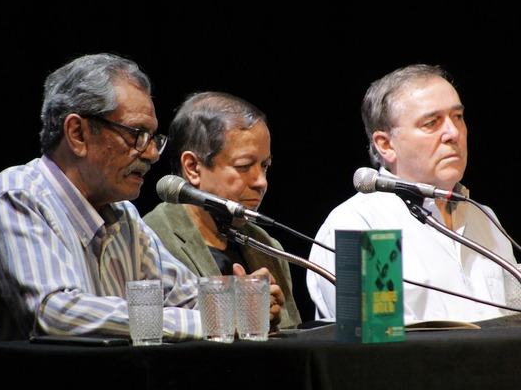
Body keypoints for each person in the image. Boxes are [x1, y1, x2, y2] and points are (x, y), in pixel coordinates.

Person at [0, 53, 207, 390]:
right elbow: (56, 312)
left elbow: (188, 296)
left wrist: (246, 303)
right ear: (78, 133)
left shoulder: (124, 216)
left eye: (153, 137)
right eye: (136, 134)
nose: (151, 154)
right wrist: (200, 323)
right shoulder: (15, 197)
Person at [306, 64, 517, 324]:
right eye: (431, 123)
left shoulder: (484, 218)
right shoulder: (361, 225)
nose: (453, 133)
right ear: (386, 145)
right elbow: (372, 349)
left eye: (458, 117)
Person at [144, 91, 301, 330]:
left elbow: (296, 344)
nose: (261, 182)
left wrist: (271, 326)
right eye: (244, 166)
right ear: (193, 167)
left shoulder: (268, 246)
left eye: (265, 166)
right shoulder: (150, 239)